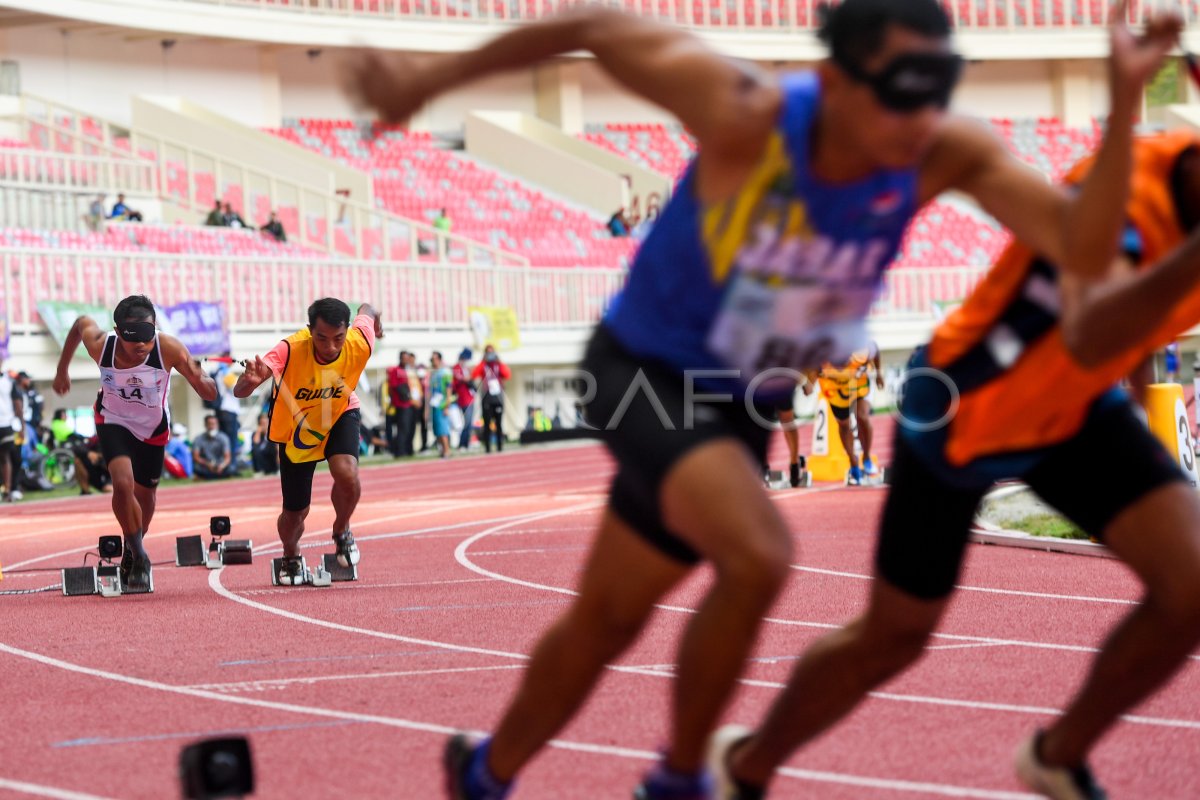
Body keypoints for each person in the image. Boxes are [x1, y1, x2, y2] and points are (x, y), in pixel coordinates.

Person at [345, 1, 1176, 797]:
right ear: (837, 81)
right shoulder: (747, 111)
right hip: (648, 372)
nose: (919, 121)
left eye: (939, 91)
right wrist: (422, 86)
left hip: (742, 398)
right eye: (898, 96)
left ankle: (486, 771)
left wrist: (1123, 101)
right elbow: (594, 26)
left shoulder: (937, 149)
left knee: (609, 616)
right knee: (758, 555)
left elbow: (1079, 244)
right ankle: (679, 780)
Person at [708, 129, 1200, 800]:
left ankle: (1059, 755)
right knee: (893, 636)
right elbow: (1094, 325)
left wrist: (1153, 439)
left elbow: (1140, 335)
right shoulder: (1131, 178)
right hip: (967, 408)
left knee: (1190, 584)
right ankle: (747, 767)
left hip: (1077, 410)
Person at [52, 295, 218, 589]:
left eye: (147, 335)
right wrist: (62, 369)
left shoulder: (168, 347)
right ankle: (139, 554)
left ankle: (132, 545)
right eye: (133, 337)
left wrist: (197, 374)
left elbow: (209, 393)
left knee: (146, 496)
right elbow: (80, 324)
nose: (142, 345)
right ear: (118, 331)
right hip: (113, 420)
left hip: (152, 428)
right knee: (123, 483)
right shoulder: (101, 345)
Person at [234, 298, 383, 585]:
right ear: (309, 330)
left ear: (347, 331)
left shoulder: (360, 340)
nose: (330, 347)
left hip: (339, 411)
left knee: (347, 473)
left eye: (338, 338)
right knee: (295, 511)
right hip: (297, 428)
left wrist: (379, 321)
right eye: (322, 339)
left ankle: (342, 530)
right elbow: (241, 391)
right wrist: (250, 380)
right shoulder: (289, 349)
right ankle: (291, 554)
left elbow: (368, 309)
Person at [807, 341, 884, 484]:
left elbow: (875, 349)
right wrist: (809, 385)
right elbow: (813, 371)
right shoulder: (822, 354)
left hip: (860, 385)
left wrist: (879, 373)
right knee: (843, 424)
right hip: (835, 391)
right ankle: (853, 461)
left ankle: (866, 457)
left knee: (862, 416)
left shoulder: (860, 351)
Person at [471, 345, 509, 453]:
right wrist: (482, 361)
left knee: (499, 423)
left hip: (498, 398)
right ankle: (487, 447)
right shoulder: (483, 366)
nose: (490, 354)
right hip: (487, 397)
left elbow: (507, 374)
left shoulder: (498, 365)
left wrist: (499, 361)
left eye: (492, 352)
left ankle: (499, 446)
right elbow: (474, 374)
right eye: (488, 352)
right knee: (487, 424)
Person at [0, 363, 24, 502]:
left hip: (6, 423)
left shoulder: (8, 381)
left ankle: (8, 490)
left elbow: (18, 405)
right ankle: (7, 490)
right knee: (5, 458)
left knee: (5, 457)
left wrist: (21, 427)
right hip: (7, 424)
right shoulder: (8, 381)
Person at [386, 351, 414, 457]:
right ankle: (399, 451)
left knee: (407, 428)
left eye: (407, 358)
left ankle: (407, 449)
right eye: (404, 358)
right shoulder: (396, 371)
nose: (406, 360)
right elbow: (393, 386)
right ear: (400, 358)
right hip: (400, 404)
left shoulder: (405, 370)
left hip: (408, 404)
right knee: (402, 429)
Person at [192, 414, 236, 480]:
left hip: (220, 465)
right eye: (210, 424)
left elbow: (227, 458)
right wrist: (207, 464)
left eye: (214, 424)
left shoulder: (224, 438)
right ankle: (216, 476)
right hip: (206, 465)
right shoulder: (198, 439)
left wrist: (221, 466)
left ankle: (209, 476)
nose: (212, 426)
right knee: (196, 468)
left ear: (217, 425)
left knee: (231, 468)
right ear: (205, 425)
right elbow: (196, 457)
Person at [428, 351, 453, 458]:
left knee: (443, 429)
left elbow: (448, 389)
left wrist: (447, 406)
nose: (432, 361)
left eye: (434, 359)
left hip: (442, 404)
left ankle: (447, 450)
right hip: (435, 404)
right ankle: (442, 450)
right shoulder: (433, 373)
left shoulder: (445, 372)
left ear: (439, 359)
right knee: (437, 429)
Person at [452, 348, 477, 450]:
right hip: (463, 399)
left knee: (469, 422)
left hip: (470, 398)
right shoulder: (457, 368)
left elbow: (470, 378)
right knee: (466, 422)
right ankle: (462, 444)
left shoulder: (466, 368)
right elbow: (460, 379)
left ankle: (466, 443)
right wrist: (466, 378)